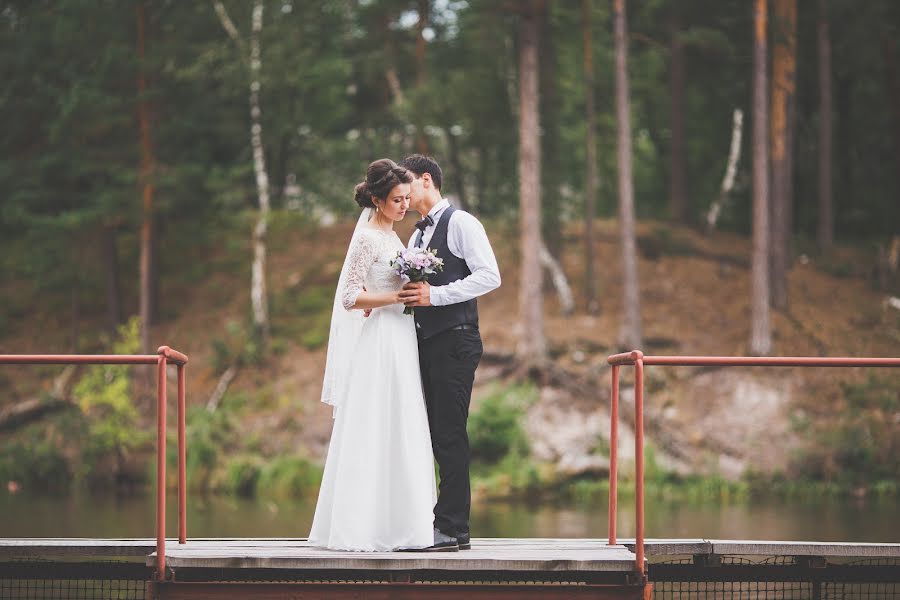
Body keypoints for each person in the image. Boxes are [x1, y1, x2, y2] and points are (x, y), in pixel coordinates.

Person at [308, 159, 438, 552]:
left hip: (402, 338)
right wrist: (391, 298)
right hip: (381, 339)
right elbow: (349, 296)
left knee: (401, 423)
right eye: (397, 200)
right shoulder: (366, 238)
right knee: (374, 425)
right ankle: (359, 528)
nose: (404, 205)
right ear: (379, 201)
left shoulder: (396, 240)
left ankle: (402, 525)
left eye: (405, 198)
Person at [398, 155, 501, 551]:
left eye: (407, 184)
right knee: (429, 434)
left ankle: (454, 528)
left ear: (427, 180)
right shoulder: (415, 236)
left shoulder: (461, 223)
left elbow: (490, 276)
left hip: (456, 340)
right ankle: (438, 523)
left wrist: (435, 295)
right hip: (424, 342)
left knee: (450, 433)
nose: (404, 195)